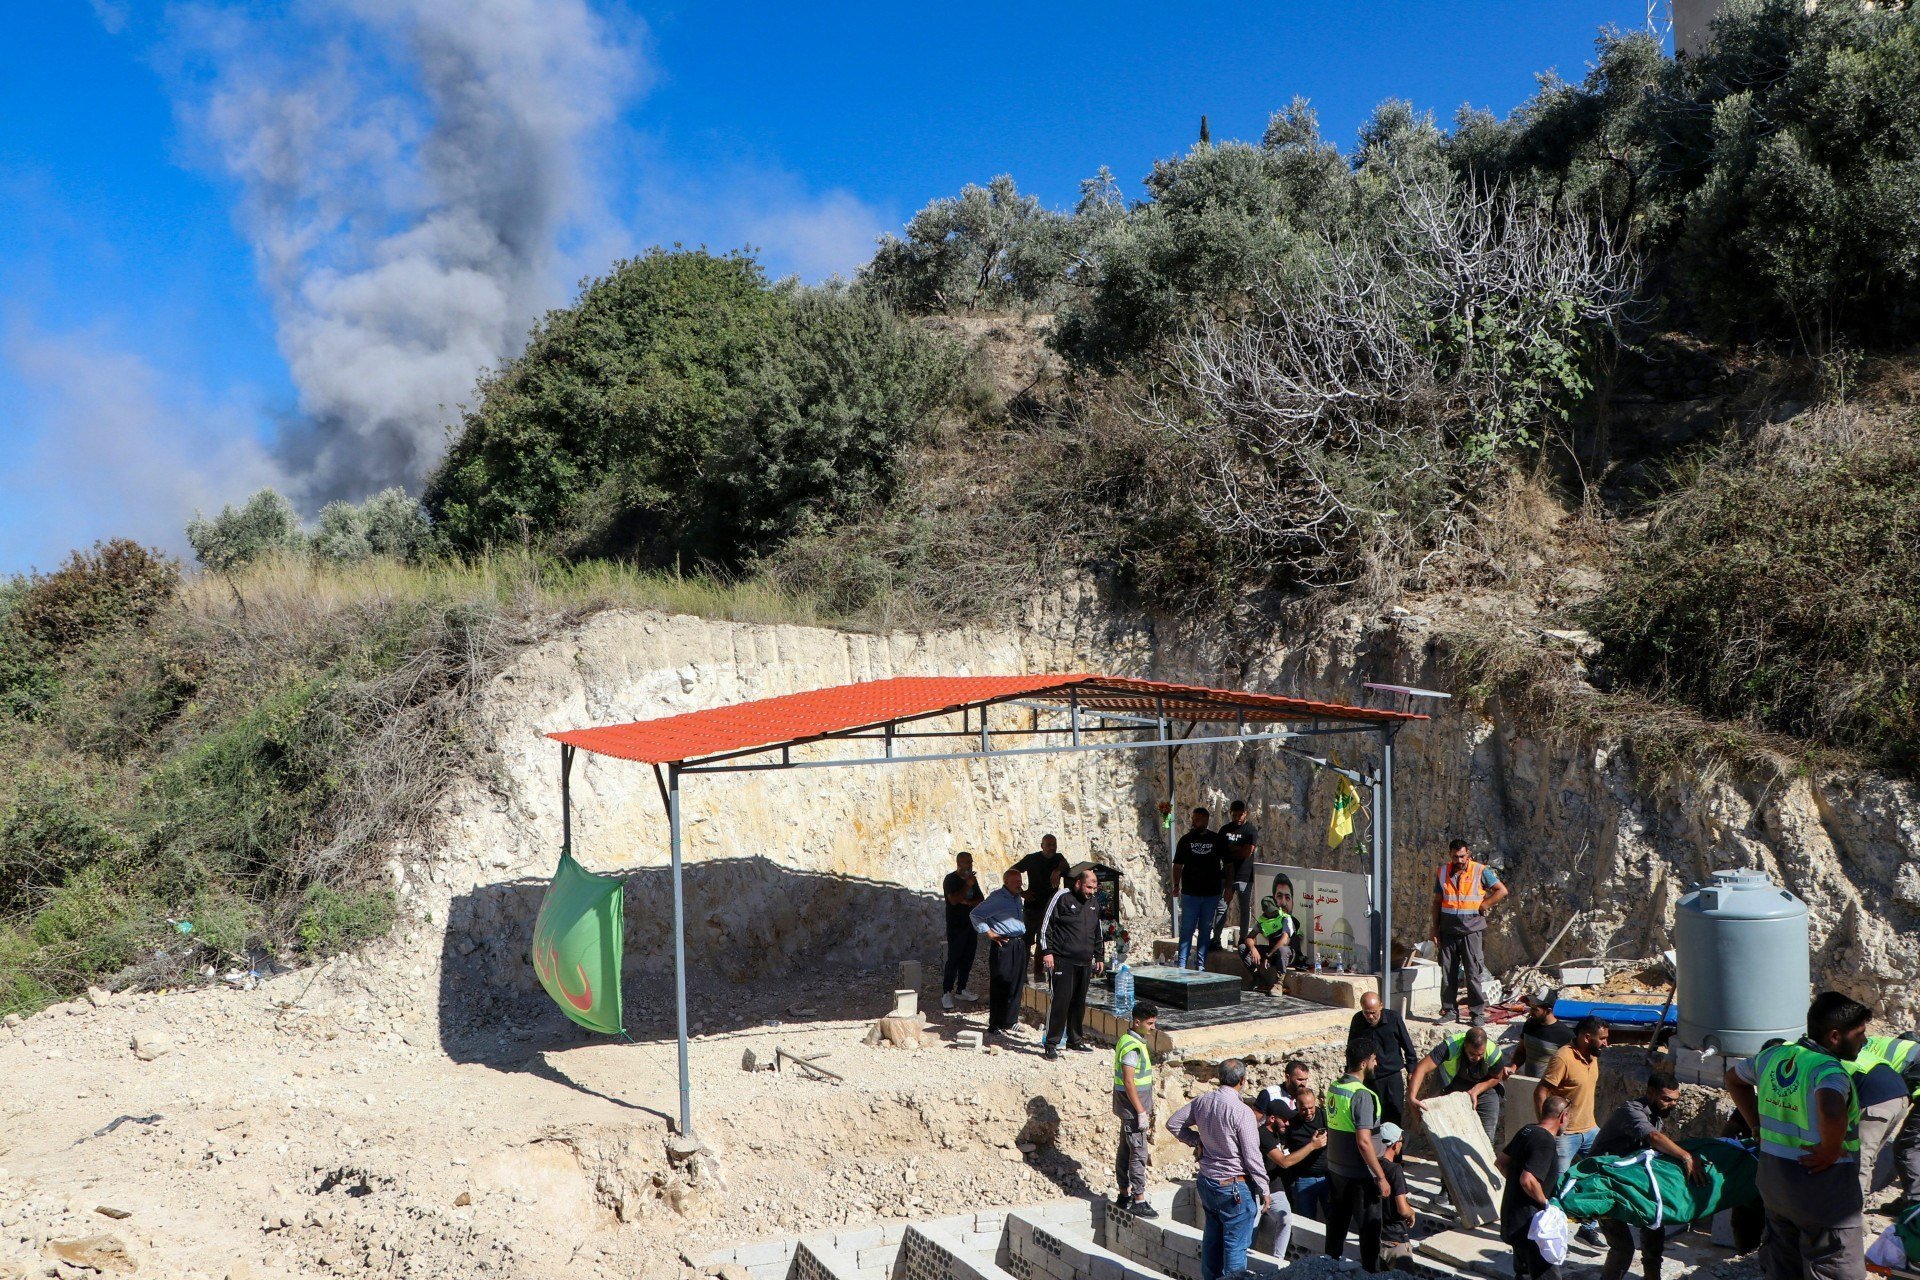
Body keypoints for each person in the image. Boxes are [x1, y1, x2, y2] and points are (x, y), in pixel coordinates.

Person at [1725, 991, 1872, 1280]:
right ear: (1834, 1036)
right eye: (1860, 1034)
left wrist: (1756, 1125)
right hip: (1821, 1193)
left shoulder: (1773, 1055)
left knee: (1784, 1266)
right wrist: (1830, 1150)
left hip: (1775, 1185)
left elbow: (1733, 1078)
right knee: (1835, 1267)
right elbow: (1830, 1109)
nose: (1864, 1041)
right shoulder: (1828, 1069)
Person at [1590, 1071, 1706, 1280]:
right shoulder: (1632, 1111)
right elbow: (1653, 1137)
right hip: (1603, 1185)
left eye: (1675, 1100)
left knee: (1655, 1227)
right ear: (1651, 1093)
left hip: (1630, 1182)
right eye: (1667, 1099)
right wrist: (1686, 1157)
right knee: (1622, 1249)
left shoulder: (1656, 1115)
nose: (1672, 1104)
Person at [1168, 1059, 1270, 1280]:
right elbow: (1252, 1156)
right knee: (1235, 1247)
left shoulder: (1203, 1101)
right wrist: (1264, 1187)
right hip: (1233, 1186)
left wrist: (1197, 1140)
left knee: (1212, 1241)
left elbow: (1174, 1123)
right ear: (1242, 1081)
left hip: (1208, 1181)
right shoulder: (1242, 1112)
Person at [1325, 1043, 1392, 1272]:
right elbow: (1364, 1141)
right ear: (1364, 1063)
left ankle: (1327, 1269)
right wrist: (1380, 1176)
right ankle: (1370, 1274)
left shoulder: (1335, 1087)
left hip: (1336, 1170)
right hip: (1360, 1175)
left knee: (1336, 1226)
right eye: (1374, 1060)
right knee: (1369, 1232)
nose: (1376, 1064)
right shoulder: (1362, 1095)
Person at [1431, 839, 1507, 1025]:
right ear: (1450, 855)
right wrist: (1434, 928)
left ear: (1469, 854)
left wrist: (1485, 904)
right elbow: (1437, 902)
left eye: (1463, 856)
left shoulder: (1479, 871)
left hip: (1471, 930)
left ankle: (1477, 1014)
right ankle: (1449, 1010)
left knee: (1473, 973)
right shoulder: (1442, 872)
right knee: (1448, 973)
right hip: (1448, 930)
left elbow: (1501, 890)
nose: (1460, 860)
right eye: (1456, 856)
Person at [1499, 1096, 1571, 1280]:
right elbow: (1528, 1180)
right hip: (1532, 1226)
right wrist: (1545, 1203)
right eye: (1569, 1118)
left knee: (1523, 1274)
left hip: (1513, 1217)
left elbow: (1501, 1162)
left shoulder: (1527, 1130)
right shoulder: (1545, 1141)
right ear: (1563, 1116)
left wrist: (1516, 1186)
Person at [1841, 1031, 1920, 1198]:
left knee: (1908, 1147)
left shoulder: (1861, 1051)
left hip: (1885, 1094)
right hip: (1895, 1094)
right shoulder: (1900, 1053)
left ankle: (1915, 1205)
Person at [1038, 867, 1105, 1060]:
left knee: (1079, 1002)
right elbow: (1046, 925)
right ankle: (1051, 1043)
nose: (1091, 891)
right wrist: (1047, 952)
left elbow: (1097, 931)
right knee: (1060, 1001)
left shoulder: (1093, 903)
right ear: (1078, 883)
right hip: (1061, 960)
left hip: (1084, 962)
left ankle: (1074, 1041)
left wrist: (1099, 956)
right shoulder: (1061, 897)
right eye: (1088, 887)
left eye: (1094, 888)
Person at [1536, 1016, 1610, 1189]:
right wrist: (1546, 1129)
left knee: (1604, 1170)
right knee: (1557, 1184)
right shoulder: (1563, 1058)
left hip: (1591, 1130)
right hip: (1565, 1135)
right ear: (1586, 1038)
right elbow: (1540, 1091)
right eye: (1603, 1038)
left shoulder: (1593, 1055)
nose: (1606, 1043)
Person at [1410, 1025, 1511, 1146]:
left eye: (1480, 1055)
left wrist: (1476, 1090)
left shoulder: (1493, 1052)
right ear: (1465, 1045)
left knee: (1486, 1137)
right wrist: (1412, 1097)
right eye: (1472, 1054)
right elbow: (1422, 1068)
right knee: (1446, 1132)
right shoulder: (1451, 1045)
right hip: (1451, 1086)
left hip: (1484, 1089)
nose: (1477, 1058)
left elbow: (1497, 1077)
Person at [1113, 1002, 1161, 1216]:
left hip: (1129, 1108)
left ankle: (1124, 1194)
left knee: (1125, 1150)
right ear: (1137, 1022)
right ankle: (1139, 1199)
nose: (1153, 1028)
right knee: (1138, 1152)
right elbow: (1129, 1081)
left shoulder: (1129, 1040)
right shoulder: (1132, 1046)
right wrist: (1141, 1111)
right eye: (1150, 1024)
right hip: (1133, 1109)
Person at [971, 867, 1029, 1041]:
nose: (1020, 884)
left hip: (1018, 943)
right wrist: (989, 933)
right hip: (1003, 944)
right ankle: (995, 1023)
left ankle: (1010, 1020)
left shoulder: (1017, 897)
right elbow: (975, 915)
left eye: (1020, 881)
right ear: (1006, 882)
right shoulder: (997, 898)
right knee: (1001, 982)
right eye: (1016, 881)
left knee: (1017, 982)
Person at [1351, 991, 1419, 1126]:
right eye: (1366, 1013)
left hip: (1391, 1078)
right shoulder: (1358, 1021)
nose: (1370, 1016)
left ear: (1381, 1006)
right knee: (1372, 1118)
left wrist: (1412, 1070)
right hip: (1369, 1079)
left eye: (1373, 1012)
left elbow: (1407, 1046)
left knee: (1393, 1118)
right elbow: (1352, 1050)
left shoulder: (1394, 1019)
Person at [1172, 809, 1224, 971]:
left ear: (1207, 820)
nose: (1195, 821)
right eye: (1194, 818)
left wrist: (1228, 886)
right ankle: (1181, 964)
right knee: (1187, 929)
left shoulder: (1216, 839)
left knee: (1205, 929)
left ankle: (1200, 965)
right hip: (1190, 893)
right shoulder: (1185, 840)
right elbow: (1178, 864)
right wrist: (1176, 885)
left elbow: (1228, 864)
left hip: (1211, 893)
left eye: (1199, 819)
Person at [1014, 835, 1070, 981]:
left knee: (1043, 941)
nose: (1052, 847)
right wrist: (1021, 892)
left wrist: (1057, 871)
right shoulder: (1031, 859)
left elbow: (1066, 866)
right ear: (1042, 845)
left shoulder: (1058, 858)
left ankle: (1038, 972)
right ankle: (1021, 974)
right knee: (1026, 941)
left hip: (1050, 909)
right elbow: (1011, 872)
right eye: (1049, 844)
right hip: (1032, 907)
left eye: (1054, 844)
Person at [1253, 1093, 1301, 1258]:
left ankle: (1277, 1260)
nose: (1287, 1123)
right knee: (1251, 1230)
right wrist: (1312, 1146)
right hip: (1257, 1189)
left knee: (1285, 1219)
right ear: (1272, 1118)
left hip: (1275, 1186)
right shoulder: (1262, 1134)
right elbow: (1284, 1161)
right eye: (1284, 1119)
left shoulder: (1280, 1133)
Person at [940, 851, 985, 1011]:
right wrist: (967, 886)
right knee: (954, 959)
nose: (970, 865)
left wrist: (967, 901)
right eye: (967, 862)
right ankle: (946, 992)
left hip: (971, 924)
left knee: (968, 958)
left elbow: (980, 900)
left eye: (971, 862)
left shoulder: (973, 880)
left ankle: (961, 989)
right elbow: (953, 900)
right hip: (956, 926)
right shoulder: (951, 879)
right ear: (959, 863)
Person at [1212, 799, 1261, 947]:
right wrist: (1236, 851)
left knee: (1245, 909)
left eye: (1240, 815)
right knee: (1221, 908)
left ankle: (1243, 940)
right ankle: (1216, 939)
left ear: (1246, 814)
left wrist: (1231, 851)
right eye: (1234, 815)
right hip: (1226, 876)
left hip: (1244, 876)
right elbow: (1219, 852)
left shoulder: (1250, 830)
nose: (1237, 818)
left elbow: (1247, 852)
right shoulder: (1224, 830)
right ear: (1230, 814)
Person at [1280, 1084, 1331, 1219]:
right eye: (1303, 1109)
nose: (1308, 1113)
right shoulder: (1291, 1125)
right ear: (1296, 1106)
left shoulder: (1325, 1117)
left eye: (1311, 1108)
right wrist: (1312, 1145)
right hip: (1303, 1179)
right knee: (1306, 1221)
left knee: (1333, 1219)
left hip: (1327, 1178)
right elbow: (1284, 1152)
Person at [1377, 1122, 1416, 1271]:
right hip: (1395, 1241)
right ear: (1394, 1144)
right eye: (1401, 1140)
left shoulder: (1371, 1166)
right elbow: (1402, 1209)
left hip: (1376, 1239)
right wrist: (1411, 1212)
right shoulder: (1394, 1170)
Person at [1240, 896, 1297, 994]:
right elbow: (1249, 938)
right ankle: (1258, 978)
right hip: (1271, 954)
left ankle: (1279, 984)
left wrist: (1269, 955)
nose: (1271, 913)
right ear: (1264, 910)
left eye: (1273, 910)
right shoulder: (1262, 921)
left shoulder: (1285, 918)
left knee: (1282, 950)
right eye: (1268, 911)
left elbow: (1284, 940)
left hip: (1287, 954)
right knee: (1243, 948)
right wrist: (1253, 949)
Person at [1516, 987, 1576, 1073]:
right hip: (1528, 1083)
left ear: (1548, 1011)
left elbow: (1572, 1066)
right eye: (1531, 1008)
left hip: (1549, 1085)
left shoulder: (1565, 1035)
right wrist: (1513, 1067)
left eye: (1535, 1009)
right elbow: (1521, 1051)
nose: (1530, 1012)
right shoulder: (1529, 1024)